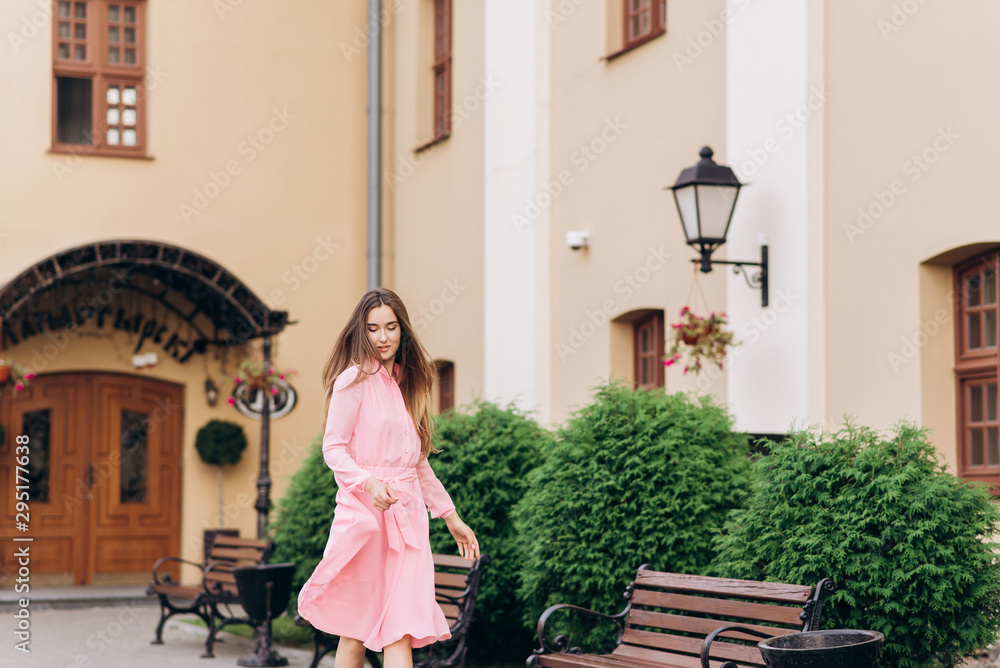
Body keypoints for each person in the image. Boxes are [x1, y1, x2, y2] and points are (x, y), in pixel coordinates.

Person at [296, 288, 480, 668]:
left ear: (402, 330)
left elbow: (416, 463)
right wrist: (369, 483)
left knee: (401, 629)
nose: (383, 337)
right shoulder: (353, 381)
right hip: (366, 517)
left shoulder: (405, 382)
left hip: (409, 519)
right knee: (355, 630)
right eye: (374, 328)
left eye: (391, 327)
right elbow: (334, 449)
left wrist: (451, 517)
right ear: (362, 332)